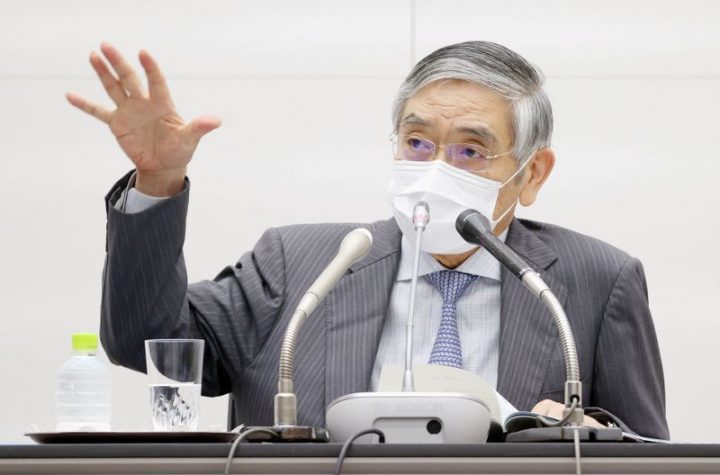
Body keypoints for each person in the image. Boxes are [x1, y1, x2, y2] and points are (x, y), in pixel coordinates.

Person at [67, 41, 669, 439]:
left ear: (532, 174)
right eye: (417, 142)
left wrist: (593, 435)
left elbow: (648, 453)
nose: (435, 166)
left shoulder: (593, 282)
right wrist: (158, 181)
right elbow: (148, 341)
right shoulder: (299, 263)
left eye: (469, 150)